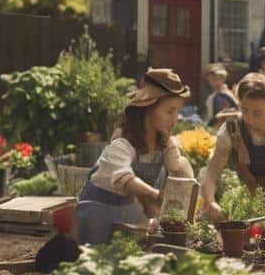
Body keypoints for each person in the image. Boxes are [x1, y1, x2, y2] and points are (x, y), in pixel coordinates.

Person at [76, 69, 194, 231]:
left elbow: (178, 169)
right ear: (148, 109)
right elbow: (124, 177)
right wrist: (155, 195)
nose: (175, 119)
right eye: (169, 111)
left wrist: (188, 202)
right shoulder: (123, 142)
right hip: (97, 213)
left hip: (127, 213)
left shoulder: (165, 143)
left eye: (177, 112)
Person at [201, 73, 265, 218]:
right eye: (244, 110)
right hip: (241, 190)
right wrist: (211, 202)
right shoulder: (231, 131)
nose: (249, 118)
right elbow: (211, 175)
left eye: (257, 113)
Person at [204, 64, 238, 128]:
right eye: (211, 80)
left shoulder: (230, 95)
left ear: (223, 79)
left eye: (215, 79)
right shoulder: (210, 98)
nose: (213, 83)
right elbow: (209, 116)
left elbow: (238, 110)